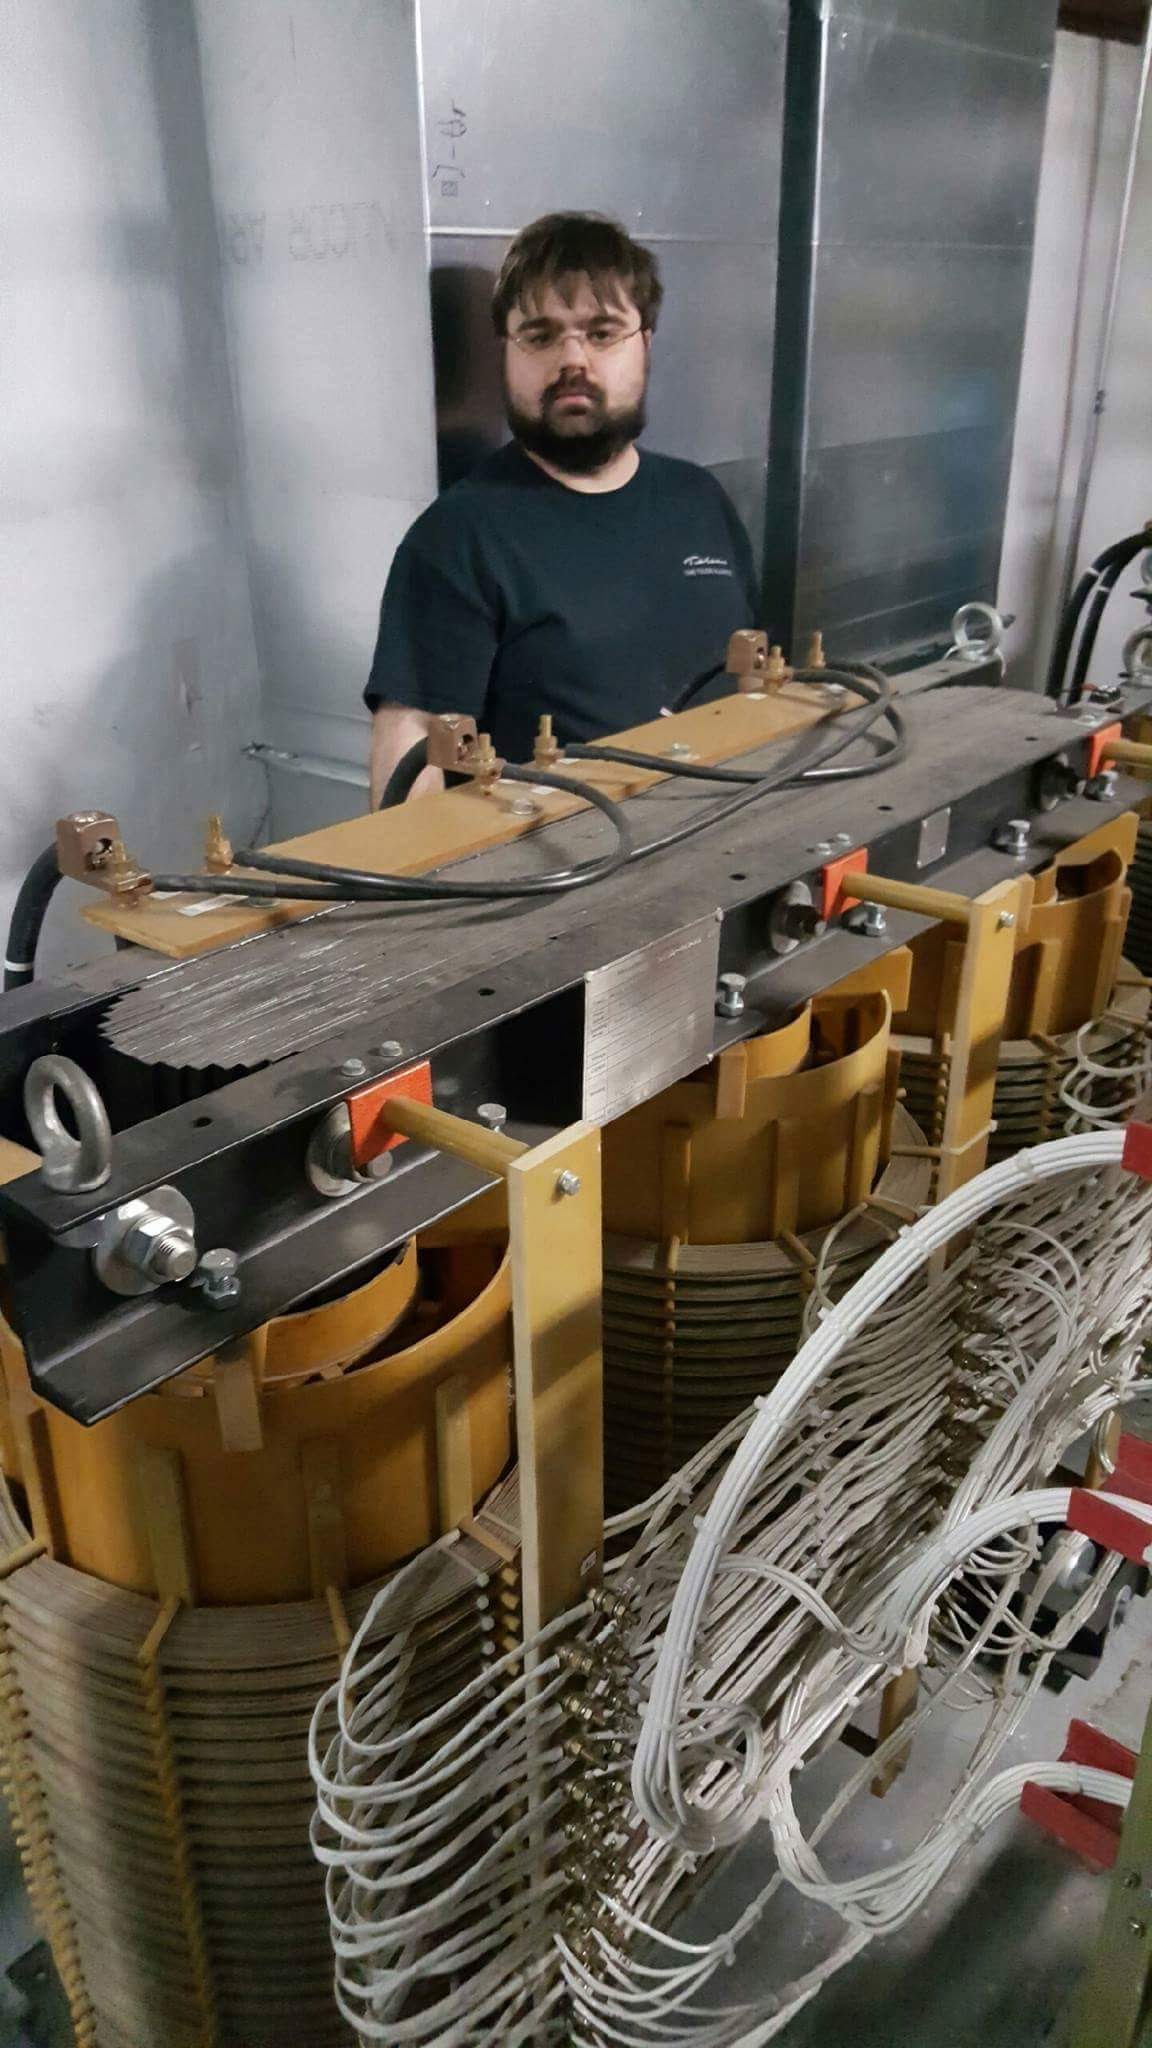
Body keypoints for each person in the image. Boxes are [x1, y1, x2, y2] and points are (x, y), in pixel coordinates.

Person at [365, 211, 759, 805]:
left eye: (602, 332)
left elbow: (755, 687)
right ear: (506, 350)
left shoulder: (699, 499)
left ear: (645, 343)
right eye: (541, 335)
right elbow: (409, 765)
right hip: (568, 876)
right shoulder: (460, 538)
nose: (572, 361)